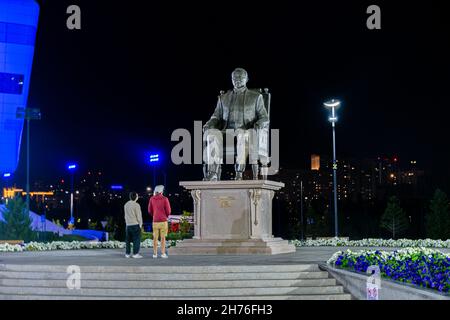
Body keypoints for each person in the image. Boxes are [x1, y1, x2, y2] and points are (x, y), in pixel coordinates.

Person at [203, 68, 269, 180]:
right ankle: (213, 172)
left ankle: (239, 172)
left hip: (246, 131)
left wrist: (257, 125)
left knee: (241, 135)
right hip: (226, 132)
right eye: (235, 78)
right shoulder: (223, 98)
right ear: (231, 79)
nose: (237, 80)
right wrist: (209, 125)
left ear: (247, 79)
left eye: (241, 77)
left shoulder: (256, 97)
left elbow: (264, 118)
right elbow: (216, 117)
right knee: (211, 135)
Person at [148, 185, 171, 258]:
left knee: (155, 238)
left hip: (155, 221)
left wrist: (154, 215)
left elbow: (149, 210)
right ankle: (163, 253)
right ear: (162, 191)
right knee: (163, 238)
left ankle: (154, 254)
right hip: (163, 221)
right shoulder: (165, 199)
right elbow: (168, 211)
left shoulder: (152, 199)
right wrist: (165, 216)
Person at [124, 191, 143, 258]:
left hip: (128, 225)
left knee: (128, 240)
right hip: (135, 224)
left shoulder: (126, 204)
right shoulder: (136, 205)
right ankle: (135, 254)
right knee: (136, 239)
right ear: (135, 197)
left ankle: (127, 253)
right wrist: (140, 224)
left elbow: (125, 216)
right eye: (137, 196)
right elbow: (139, 216)